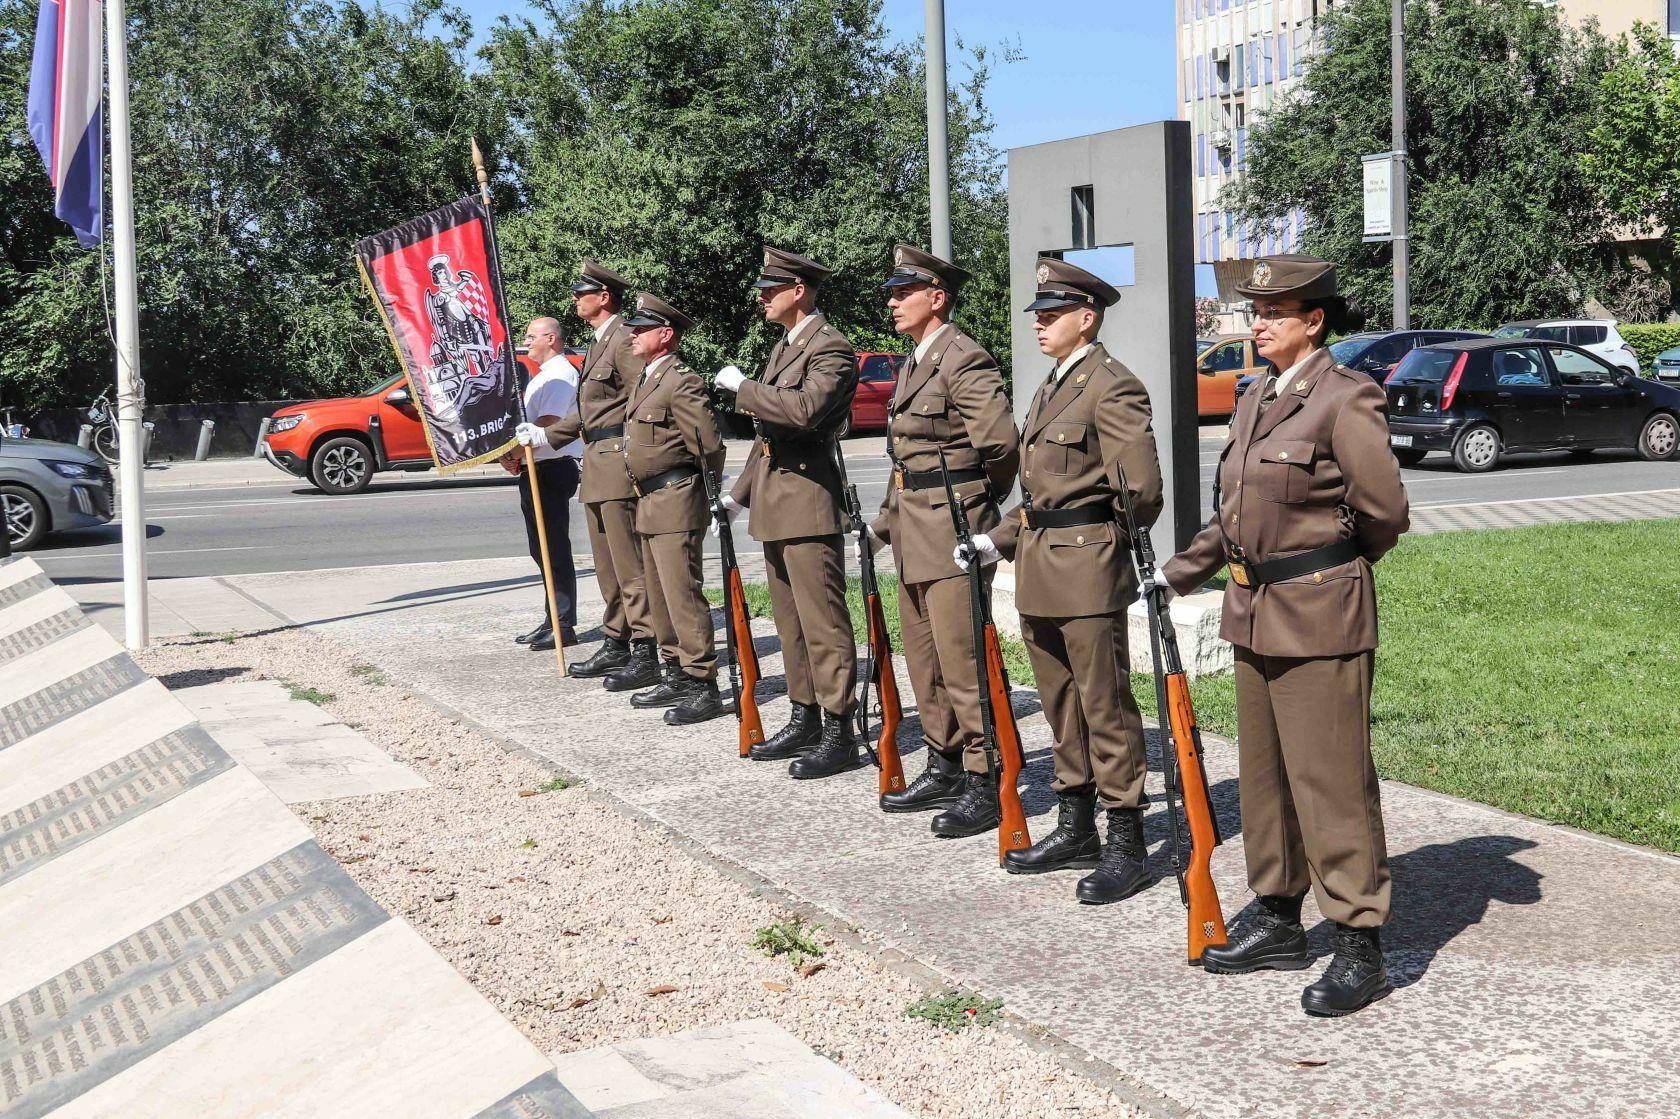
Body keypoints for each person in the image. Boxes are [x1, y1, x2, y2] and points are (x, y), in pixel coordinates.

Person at [1150, 253, 1409, 1017]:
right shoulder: (1255, 396)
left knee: (1330, 780)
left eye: (1273, 312)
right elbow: (1233, 516)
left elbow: (1385, 512)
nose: (1257, 323)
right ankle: (1278, 915)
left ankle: (1360, 940)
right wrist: (1176, 573)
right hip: (1252, 611)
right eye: (1254, 311)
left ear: (1313, 321)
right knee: (1264, 779)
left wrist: (1328, 568)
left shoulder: (1344, 397)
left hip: (1320, 612)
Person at [954, 258, 1163, 906]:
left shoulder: (1112, 386)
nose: (1040, 324)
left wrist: (1103, 545)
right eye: (1038, 314)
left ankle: (1126, 840)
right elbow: (1040, 493)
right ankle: (1076, 824)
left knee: (1105, 706)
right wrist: (998, 539)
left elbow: (1143, 492)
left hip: (1087, 570)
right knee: (1060, 706)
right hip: (1041, 566)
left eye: (1051, 314)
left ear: (1087, 317)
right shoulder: (1050, 387)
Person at [867, 245, 1019, 835]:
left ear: (936, 297)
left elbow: (1001, 447)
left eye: (904, 292)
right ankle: (945, 759)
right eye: (893, 292)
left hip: (951, 528)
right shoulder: (913, 361)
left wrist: (978, 506)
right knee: (924, 659)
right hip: (911, 529)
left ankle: (987, 776)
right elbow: (905, 457)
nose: (892, 301)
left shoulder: (964, 358)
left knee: (963, 662)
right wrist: (882, 525)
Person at [713, 247, 861, 779]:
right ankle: (806, 714)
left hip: (809, 500)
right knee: (790, 621)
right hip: (777, 501)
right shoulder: (785, 347)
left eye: (771, 289)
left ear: (798, 291)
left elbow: (801, 412)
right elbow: (767, 440)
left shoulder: (831, 349)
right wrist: (739, 495)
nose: (762, 297)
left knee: (822, 622)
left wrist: (744, 389)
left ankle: (841, 726)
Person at [603, 294, 729, 724]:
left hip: (676, 497)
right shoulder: (645, 378)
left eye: (642, 328)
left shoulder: (681, 380)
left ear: (666, 334)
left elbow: (709, 445)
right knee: (659, 596)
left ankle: (702, 683)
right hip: (649, 500)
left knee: (682, 595)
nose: (633, 334)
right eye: (633, 327)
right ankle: (674, 670)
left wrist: (710, 496)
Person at [544, 261, 658, 686]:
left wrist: (639, 454)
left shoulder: (623, 340)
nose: (575, 298)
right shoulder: (598, 343)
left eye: (581, 292)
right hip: (596, 462)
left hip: (617, 459)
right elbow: (587, 409)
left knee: (629, 565)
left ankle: (646, 649)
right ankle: (617, 639)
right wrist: (544, 439)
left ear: (603, 297)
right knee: (606, 564)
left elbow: (642, 395)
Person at [506, 316, 580, 651]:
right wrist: (513, 456)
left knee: (553, 549)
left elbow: (548, 423)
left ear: (551, 338)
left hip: (553, 468)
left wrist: (513, 450)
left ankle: (563, 624)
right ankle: (553, 618)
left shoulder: (561, 375)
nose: (526, 341)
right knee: (542, 550)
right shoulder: (544, 375)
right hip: (537, 467)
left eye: (531, 336)